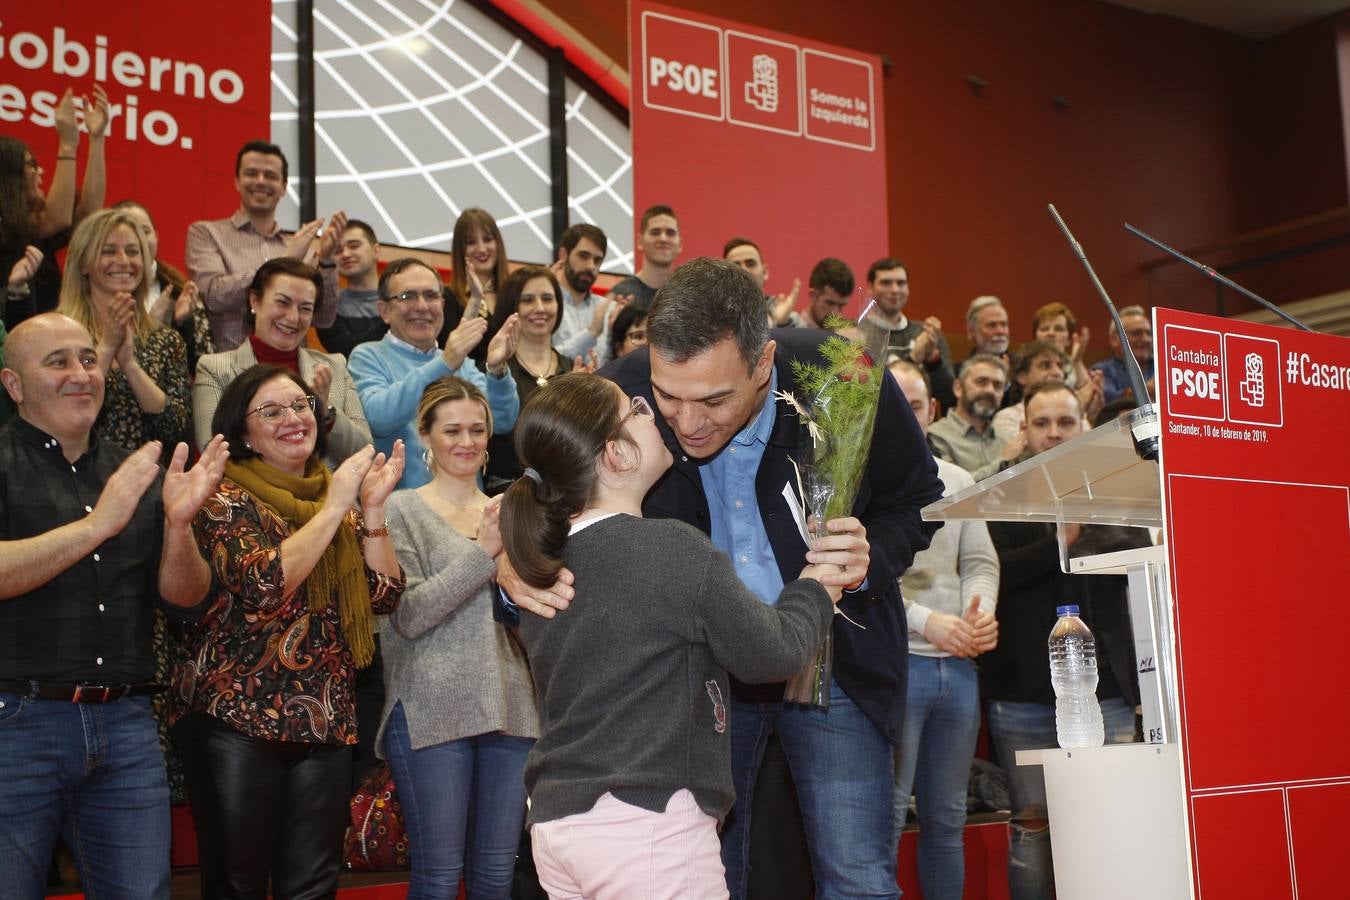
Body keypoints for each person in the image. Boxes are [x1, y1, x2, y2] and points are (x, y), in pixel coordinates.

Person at [506, 258, 945, 900]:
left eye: (714, 399)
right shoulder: (621, 397)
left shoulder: (842, 377)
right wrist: (508, 566)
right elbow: (542, 490)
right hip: (694, 685)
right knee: (706, 866)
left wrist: (867, 559)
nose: (686, 424)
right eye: (668, 399)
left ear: (763, 363)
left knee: (857, 875)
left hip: (833, 662)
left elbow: (919, 498)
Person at [501, 371, 841, 900]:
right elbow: (773, 652)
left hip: (557, 822)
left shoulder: (541, 564)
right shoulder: (670, 549)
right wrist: (816, 589)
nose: (652, 414)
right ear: (617, 454)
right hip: (646, 820)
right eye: (636, 409)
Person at [0, 312, 227, 899]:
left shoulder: (137, 471)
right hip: (18, 723)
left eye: (87, 358)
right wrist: (98, 526)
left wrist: (178, 528)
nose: (82, 373)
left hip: (127, 724)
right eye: (58, 362)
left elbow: (187, 602)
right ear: (13, 385)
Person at [173, 364, 405, 900]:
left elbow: (385, 596)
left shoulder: (333, 498)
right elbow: (266, 582)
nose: (293, 419)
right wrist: (337, 506)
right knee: (237, 885)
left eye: (300, 405)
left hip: (322, 721)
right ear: (243, 432)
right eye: (271, 412)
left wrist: (370, 509)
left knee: (313, 888)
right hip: (235, 721)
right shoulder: (221, 497)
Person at [981, 382, 1145, 900]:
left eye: (1066, 423)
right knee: (1033, 829)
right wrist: (1059, 538)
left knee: (1109, 823)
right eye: (1042, 423)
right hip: (1021, 694)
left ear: (1083, 426)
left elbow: (1135, 564)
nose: (1054, 434)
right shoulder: (996, 493)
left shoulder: (1113, 489)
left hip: (1109, 693)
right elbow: (993, 575)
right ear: (1024, 431)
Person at [380, 377, 539, 899]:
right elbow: (407, 614)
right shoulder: (399, 511)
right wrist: (483, 552)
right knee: (439, 876)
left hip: (512, 708)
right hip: (431, 709)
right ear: (424, 434)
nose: (466, 441)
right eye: (452, 430)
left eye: (477, 429)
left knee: (496, 878)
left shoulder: (510, 512)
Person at [887, 360, 999, 900]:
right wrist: (927, 621)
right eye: (895, 401)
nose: (907, 413)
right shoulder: (860, 483)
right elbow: (867, 578)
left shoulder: (958, 482)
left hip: (958, 669)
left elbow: (980, 562)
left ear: (932, 411)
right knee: (885, 816)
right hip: (896, 666)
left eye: (915, 403)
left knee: (947, 821)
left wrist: (979, 613)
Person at [349, 258, 520, 488]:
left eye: (431, 296)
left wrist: (497, 370)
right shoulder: (367, 356)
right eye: (407, 296)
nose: (422, 306)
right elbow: (379, 418)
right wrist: (445, 362)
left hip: (467, 509)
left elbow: (501, 421)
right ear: (384, 310)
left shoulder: (461, 362)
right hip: (402, 512)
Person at [193, 257, 371, 467]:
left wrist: (325, 413)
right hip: (254, 496)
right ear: (254, 301)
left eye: (305, 308)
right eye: (282, 302)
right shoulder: (215, 369)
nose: (293, 317)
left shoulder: (334, 366)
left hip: (332, 495)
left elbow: (366, 452)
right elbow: (213, 452)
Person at [186, 140, 345, 350]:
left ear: (284, 187)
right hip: (230, 373)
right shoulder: (205, 232)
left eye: (271, 176)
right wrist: (283, 262)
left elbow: (323, 319)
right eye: (251, 173)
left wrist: (326, 262)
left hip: (289, 374)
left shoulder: (298, 246)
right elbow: (214, 297)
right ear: (237, 181)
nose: (261, 181)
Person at [57, 208, 192, 455]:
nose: (123, 261)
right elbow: (57, 417)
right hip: (74, 483)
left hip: (151, 484)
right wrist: (107, 348)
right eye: (108, 251)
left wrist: (130, 365)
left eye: (133, 251)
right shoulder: (56, 334)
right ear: (84, 263)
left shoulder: (167, 340)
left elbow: (176, 430)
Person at [1, 87, 109, 329]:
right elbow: (56, 219)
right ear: (8, 176)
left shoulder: (35, 233)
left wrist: (97, 139)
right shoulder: (11, 231)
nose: (40, 172)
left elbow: (89, 215)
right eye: (30, 165)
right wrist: (68, 144)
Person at [486, 265, 573, 485]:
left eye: (547, 298)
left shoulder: (574, 369)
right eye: (527, 300)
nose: (540, 308)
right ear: (510, 308)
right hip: (507, 495)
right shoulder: (493, 371)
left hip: (567, 494)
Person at [114, 200, 214, 375]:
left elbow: (200, 366)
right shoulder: (98, 292)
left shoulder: (179, 291)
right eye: (129, 232)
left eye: (144, 231)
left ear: (156, 236)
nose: (139, 240)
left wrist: (181, 323)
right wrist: (153, 326)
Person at [858, 258, 957, 410]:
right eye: (886, 283)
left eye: (901, 283)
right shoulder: (856, 333)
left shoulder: (927, 332)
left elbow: (950, 396)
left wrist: (933, 361)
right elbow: (862, 394)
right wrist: (914, 359)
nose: (895, 289)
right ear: (870, 287)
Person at [927, 354, 1015, 480]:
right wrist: (1003, 461)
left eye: (997, 385)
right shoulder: (935, 436)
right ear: (958, 388)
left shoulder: (1007, 439)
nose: (990, 390)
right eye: (981, 382)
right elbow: (953, 487)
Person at [317, 219, 388, 356]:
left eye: (354, 246)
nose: (345, 254)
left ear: (376, 251)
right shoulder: (329, 308)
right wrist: (393, 317)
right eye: (337, 250)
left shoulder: (402, 297)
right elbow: (346, 352)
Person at [550, 222, 618, 362]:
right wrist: (591, 332)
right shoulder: (546, 306)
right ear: (563, 255)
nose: (591, 266)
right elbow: (549, 361)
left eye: (597, 260)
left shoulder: (609, 309)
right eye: (583, 256)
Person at [610, 205, 681, 309]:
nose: (663, 239)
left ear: (680, 244)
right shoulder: (620, 295)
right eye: (655, 232)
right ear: (640, 241)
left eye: (670, 233)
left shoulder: (690, 295)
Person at [449, 208, 510, 321]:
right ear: (460, 250)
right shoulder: (449, 299)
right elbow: (458, 339)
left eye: (487, 239)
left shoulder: (514, 295)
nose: (482, 249)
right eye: (471, 242)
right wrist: (475, 299)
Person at [725, 236, 799, 327]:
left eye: (750, 264)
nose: (744, 270)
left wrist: (784, 324)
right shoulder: (713, 317)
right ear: (724, 276)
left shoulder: (792, 318)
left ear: (765, 272)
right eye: (735, 266)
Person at [1090, 304, 1155, 403]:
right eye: (1137, 333)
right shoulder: (1101, 371)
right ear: (1114, 339)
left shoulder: (1164, 367)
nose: (1145, 339)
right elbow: (1109, 402)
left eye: (1149, 334)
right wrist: (1150, 389)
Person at [789, 257, 854, 329]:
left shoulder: (844, 336)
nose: (835, 313)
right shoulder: (788, 329)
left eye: (841, 306)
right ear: (813, 296)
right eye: (829, 303)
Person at [965, 296, 1011, 365]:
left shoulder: (1022, 369)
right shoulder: (957, 373)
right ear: (972, 331)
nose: (1000, 331)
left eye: (1004, 324)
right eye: (992, 325)